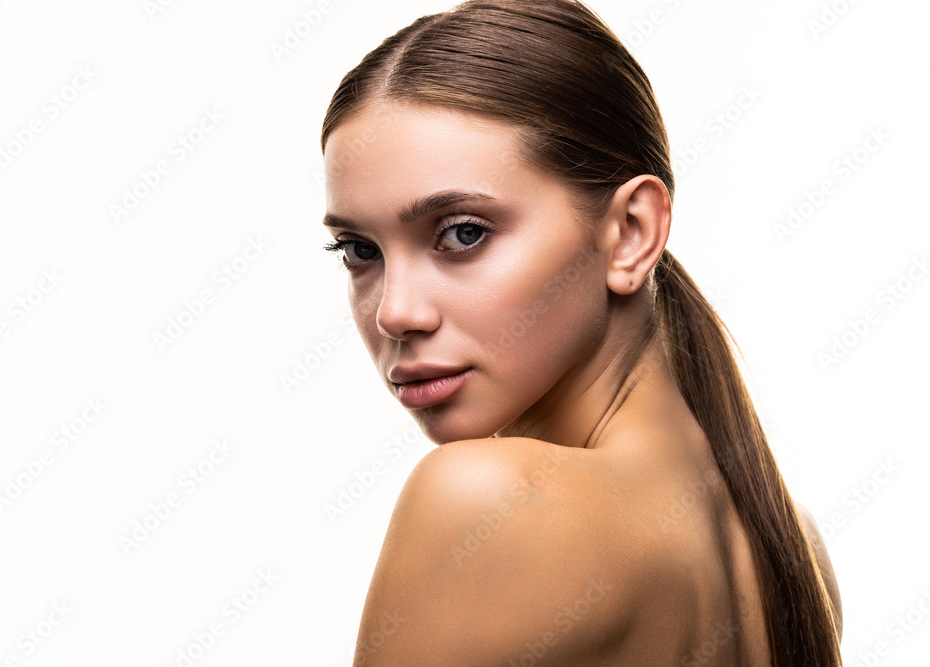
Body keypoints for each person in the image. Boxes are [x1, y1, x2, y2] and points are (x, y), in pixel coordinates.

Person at [319, 1, 843, 664]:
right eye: (359, 250)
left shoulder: (487, 501)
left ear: (631, 233)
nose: (394, 312)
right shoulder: (792, 548)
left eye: (463, 234)